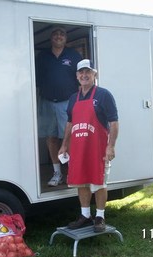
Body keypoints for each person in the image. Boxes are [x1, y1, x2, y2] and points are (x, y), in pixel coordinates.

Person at [58, 59, 119, 233]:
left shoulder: (103, 95)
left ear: (94, 74)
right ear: (77, 76)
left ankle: (100, 216)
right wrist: (64, 145)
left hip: (98, 149)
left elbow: (114, 123)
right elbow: (69, 124)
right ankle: (85, 216)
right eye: (81, 72)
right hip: (78, 148)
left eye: (88, 72)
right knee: (81, 181)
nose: (84, 75)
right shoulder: (73, 98)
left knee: (99, 182)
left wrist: (111, 146)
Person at [36, 26, 82, 186]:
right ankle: (57, 174)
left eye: (62, 33)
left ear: (66, 38)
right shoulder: (43, 56)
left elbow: (82, 78)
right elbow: (36, 78)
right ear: (51, 38)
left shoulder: (73, 55)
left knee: (68, 137)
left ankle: (72, 172)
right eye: (55, 34)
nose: (59, 36)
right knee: (51, 138)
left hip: (68, 103)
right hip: (47, 102)